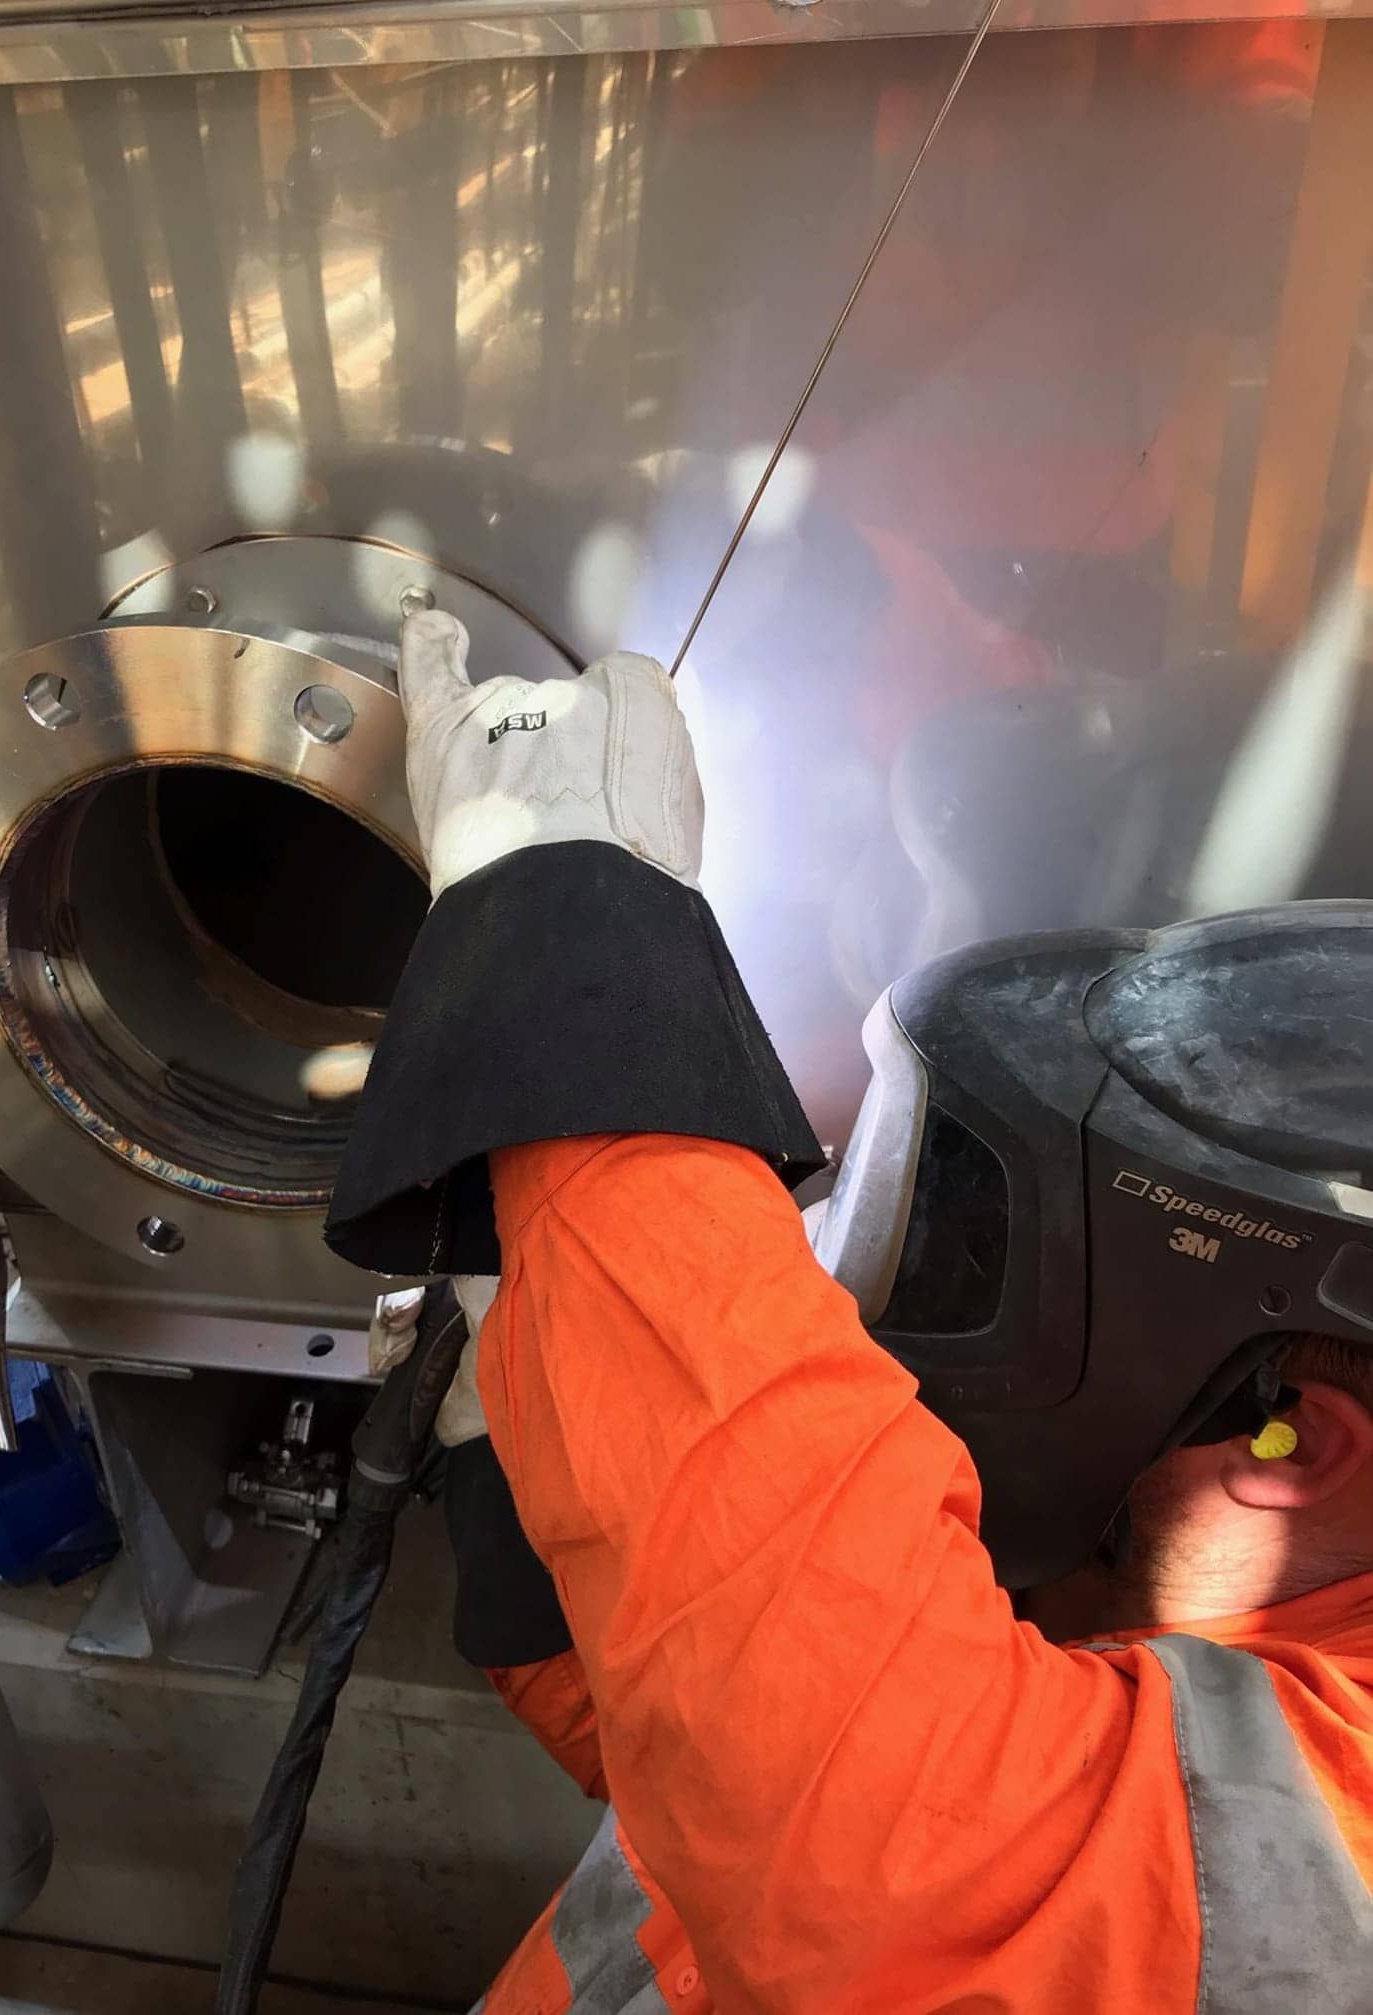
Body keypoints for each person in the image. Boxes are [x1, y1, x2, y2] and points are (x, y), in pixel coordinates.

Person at [326, 610, 1373, 2012]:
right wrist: (536, 1471)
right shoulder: (1173, 1621)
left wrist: (571, 957)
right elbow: (727, 1769)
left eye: (979, 1256)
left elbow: (899, 1881)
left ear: (1286, 1440)